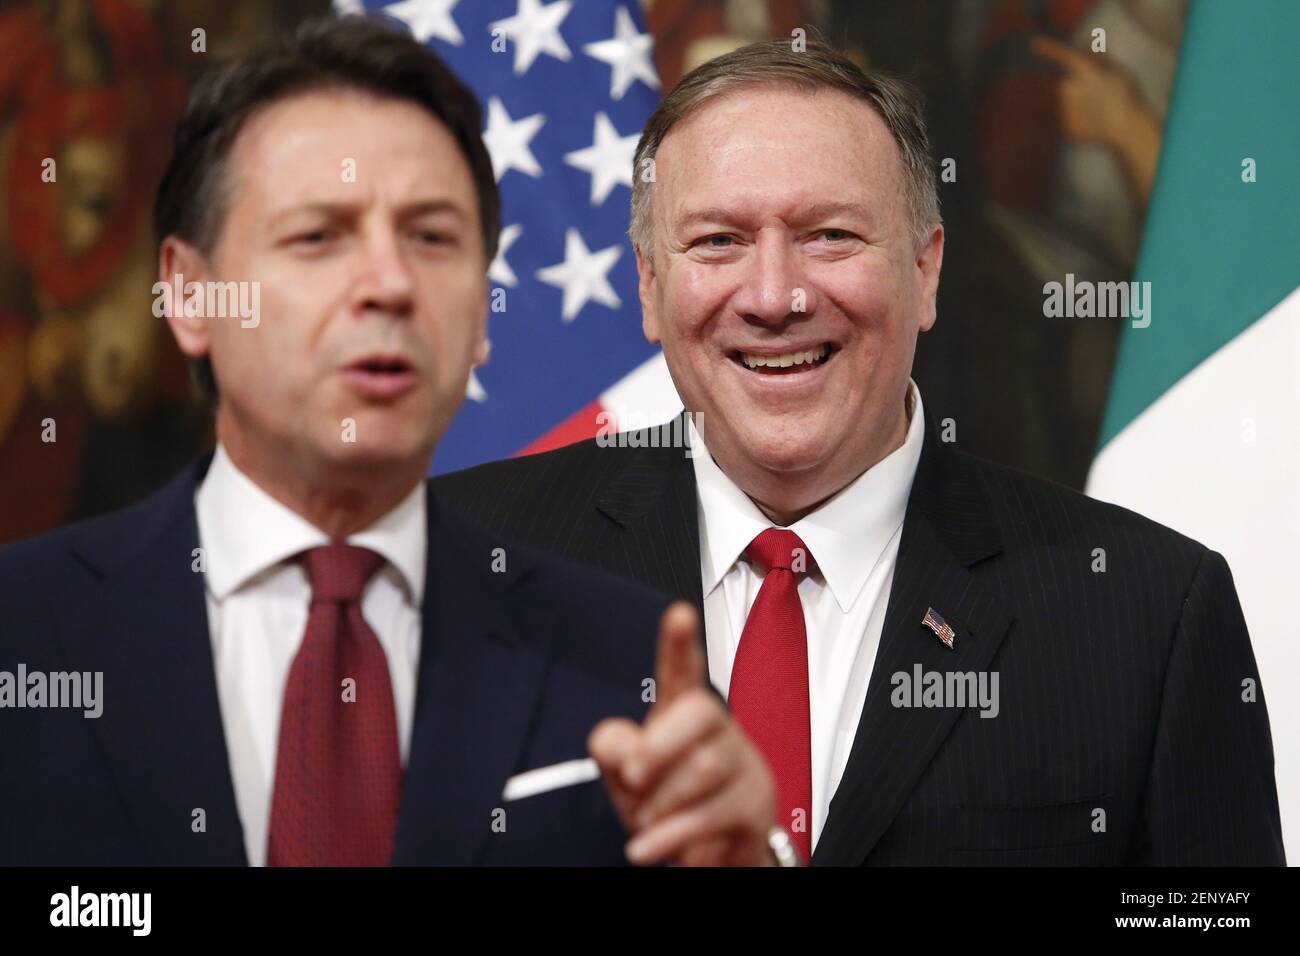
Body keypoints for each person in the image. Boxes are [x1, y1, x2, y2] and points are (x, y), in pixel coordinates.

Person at [434, 38, 1286, 865]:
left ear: (926, 271)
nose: (774, 297)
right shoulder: (470, 564)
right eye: (718, 241)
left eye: (830, 235)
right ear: (651, 290)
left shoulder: (1148, 612)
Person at [0, 16, 780, 868]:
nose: (390, 285)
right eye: (319, 237)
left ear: (484, 312)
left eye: (432, 238)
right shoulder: (26, 636)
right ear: (191, 296)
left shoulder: (629, 666)